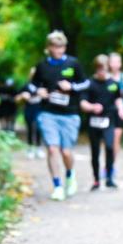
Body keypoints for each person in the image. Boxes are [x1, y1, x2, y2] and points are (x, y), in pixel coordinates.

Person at [32, 30, 90, 201]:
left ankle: (70, 176)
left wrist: (71, 87)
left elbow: (86, 83)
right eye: (55, 47)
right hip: (48, 112)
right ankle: (57, 185)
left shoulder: (73, 64)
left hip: (70, 114)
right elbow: (32, 85)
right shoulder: (42, 66)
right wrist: (38, 91)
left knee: (66, 152)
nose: (59, 50)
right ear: (49, 48)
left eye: (62, 47)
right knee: (52, 148)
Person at [81, 54, 123, 190]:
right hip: (93, 122)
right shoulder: (89, 83)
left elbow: (118, 99)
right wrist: (91, 107)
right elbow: (82, 102)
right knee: (95, 151)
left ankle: (109, 178)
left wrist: (121, 109)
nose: (102, 71)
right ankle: (96, 180)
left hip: (109, 120)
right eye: (99, 69)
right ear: (96, 69)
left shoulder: (113, 84)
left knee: (109, 146)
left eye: (104, 68)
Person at [108, 52, 123, 181]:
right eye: (112, 61)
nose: (115, 64)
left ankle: (112, 165)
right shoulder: (104, 77)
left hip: (121, 111)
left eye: (117, 62)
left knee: (116, 139)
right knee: (108, 141)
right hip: (107, 112)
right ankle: (108, 164)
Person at [14, 71, 44, 159]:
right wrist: (22, 96)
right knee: (30, 128)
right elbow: (16, 99)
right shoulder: (26, 86)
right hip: (29, 109)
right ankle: (30, 149)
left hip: (40, 109)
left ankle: (38, 148)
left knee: (39, 127)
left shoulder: (42, 85)